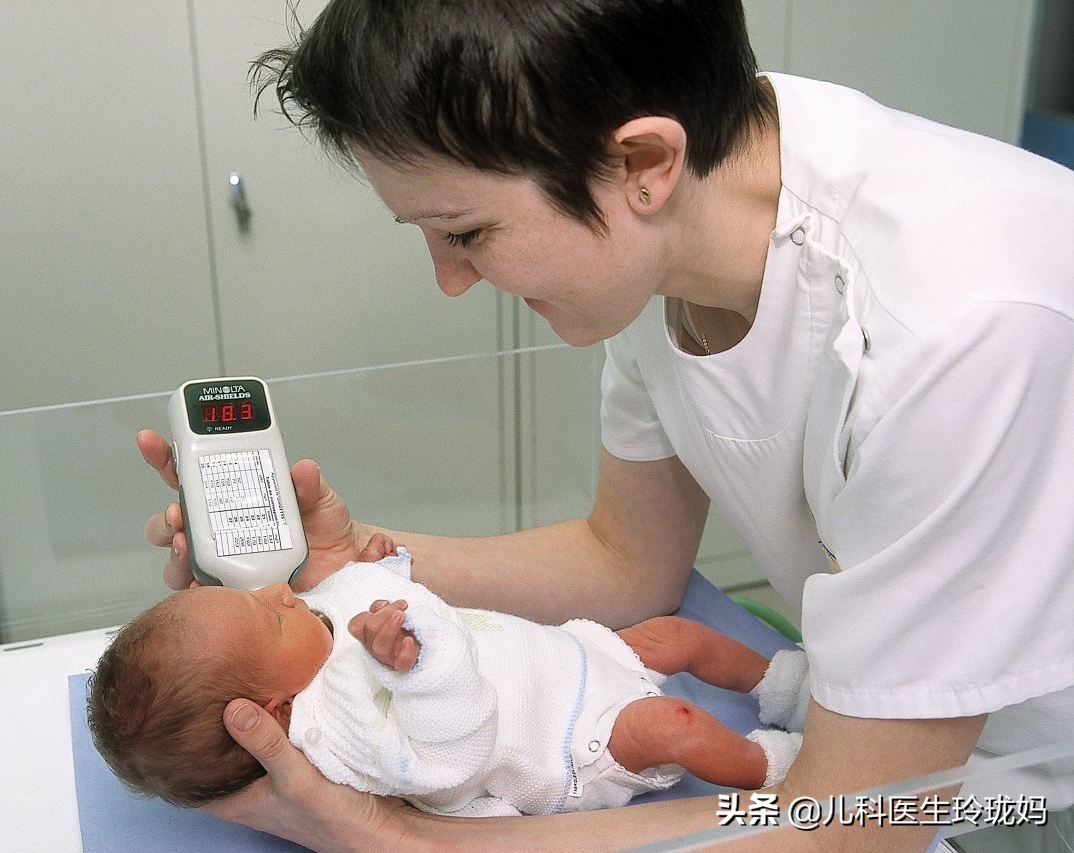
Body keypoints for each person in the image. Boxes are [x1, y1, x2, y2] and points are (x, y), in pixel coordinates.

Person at [137, 0, 1074, 848]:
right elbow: (627, 561)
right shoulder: (684, 221)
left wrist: (418, 842)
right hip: (888, 742)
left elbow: (852, 824)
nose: (449, 279)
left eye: (464, 231)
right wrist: (336, 565)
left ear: (643, 166)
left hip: (1030, 787)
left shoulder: (957, 333)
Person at [88, 535, 807, 815]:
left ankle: (782, 685)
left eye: (259, 595)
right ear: (276, 714)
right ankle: (774, 766)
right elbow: (452, 749)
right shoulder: (340, 732)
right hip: (572, 742)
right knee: (670, 724)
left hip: (574, 657)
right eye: (272, 619)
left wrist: (379, 565)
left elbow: (363, 597)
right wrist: (415, 667)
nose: (280, 595)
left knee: (675, 637)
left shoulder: (312, 628)